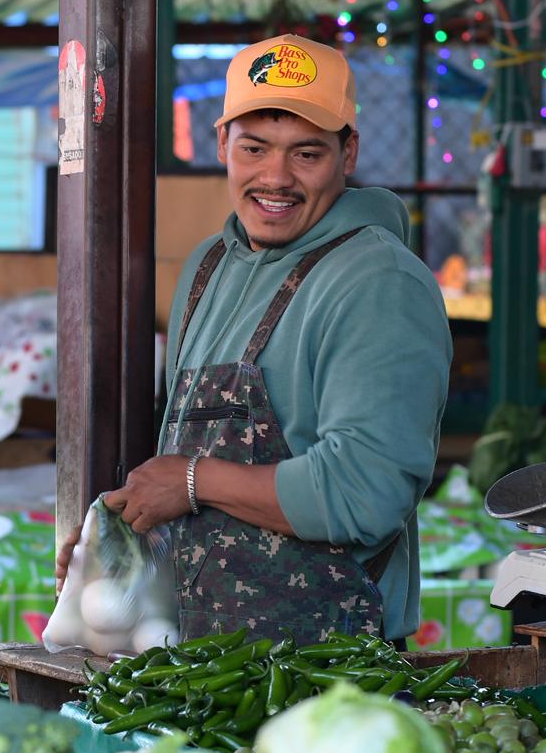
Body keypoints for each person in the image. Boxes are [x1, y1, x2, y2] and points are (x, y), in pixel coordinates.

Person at [58, 35, 452, 645]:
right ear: (222, 144)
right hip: (202, 661)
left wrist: (192, 481)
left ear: (348, 153)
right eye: (254, 147)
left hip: (323, 670)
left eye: (306, 154)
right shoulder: (207, 267)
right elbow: (188, 488)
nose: (276, 177)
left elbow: (366, 493)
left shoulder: (379, 282)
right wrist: (119, 544)